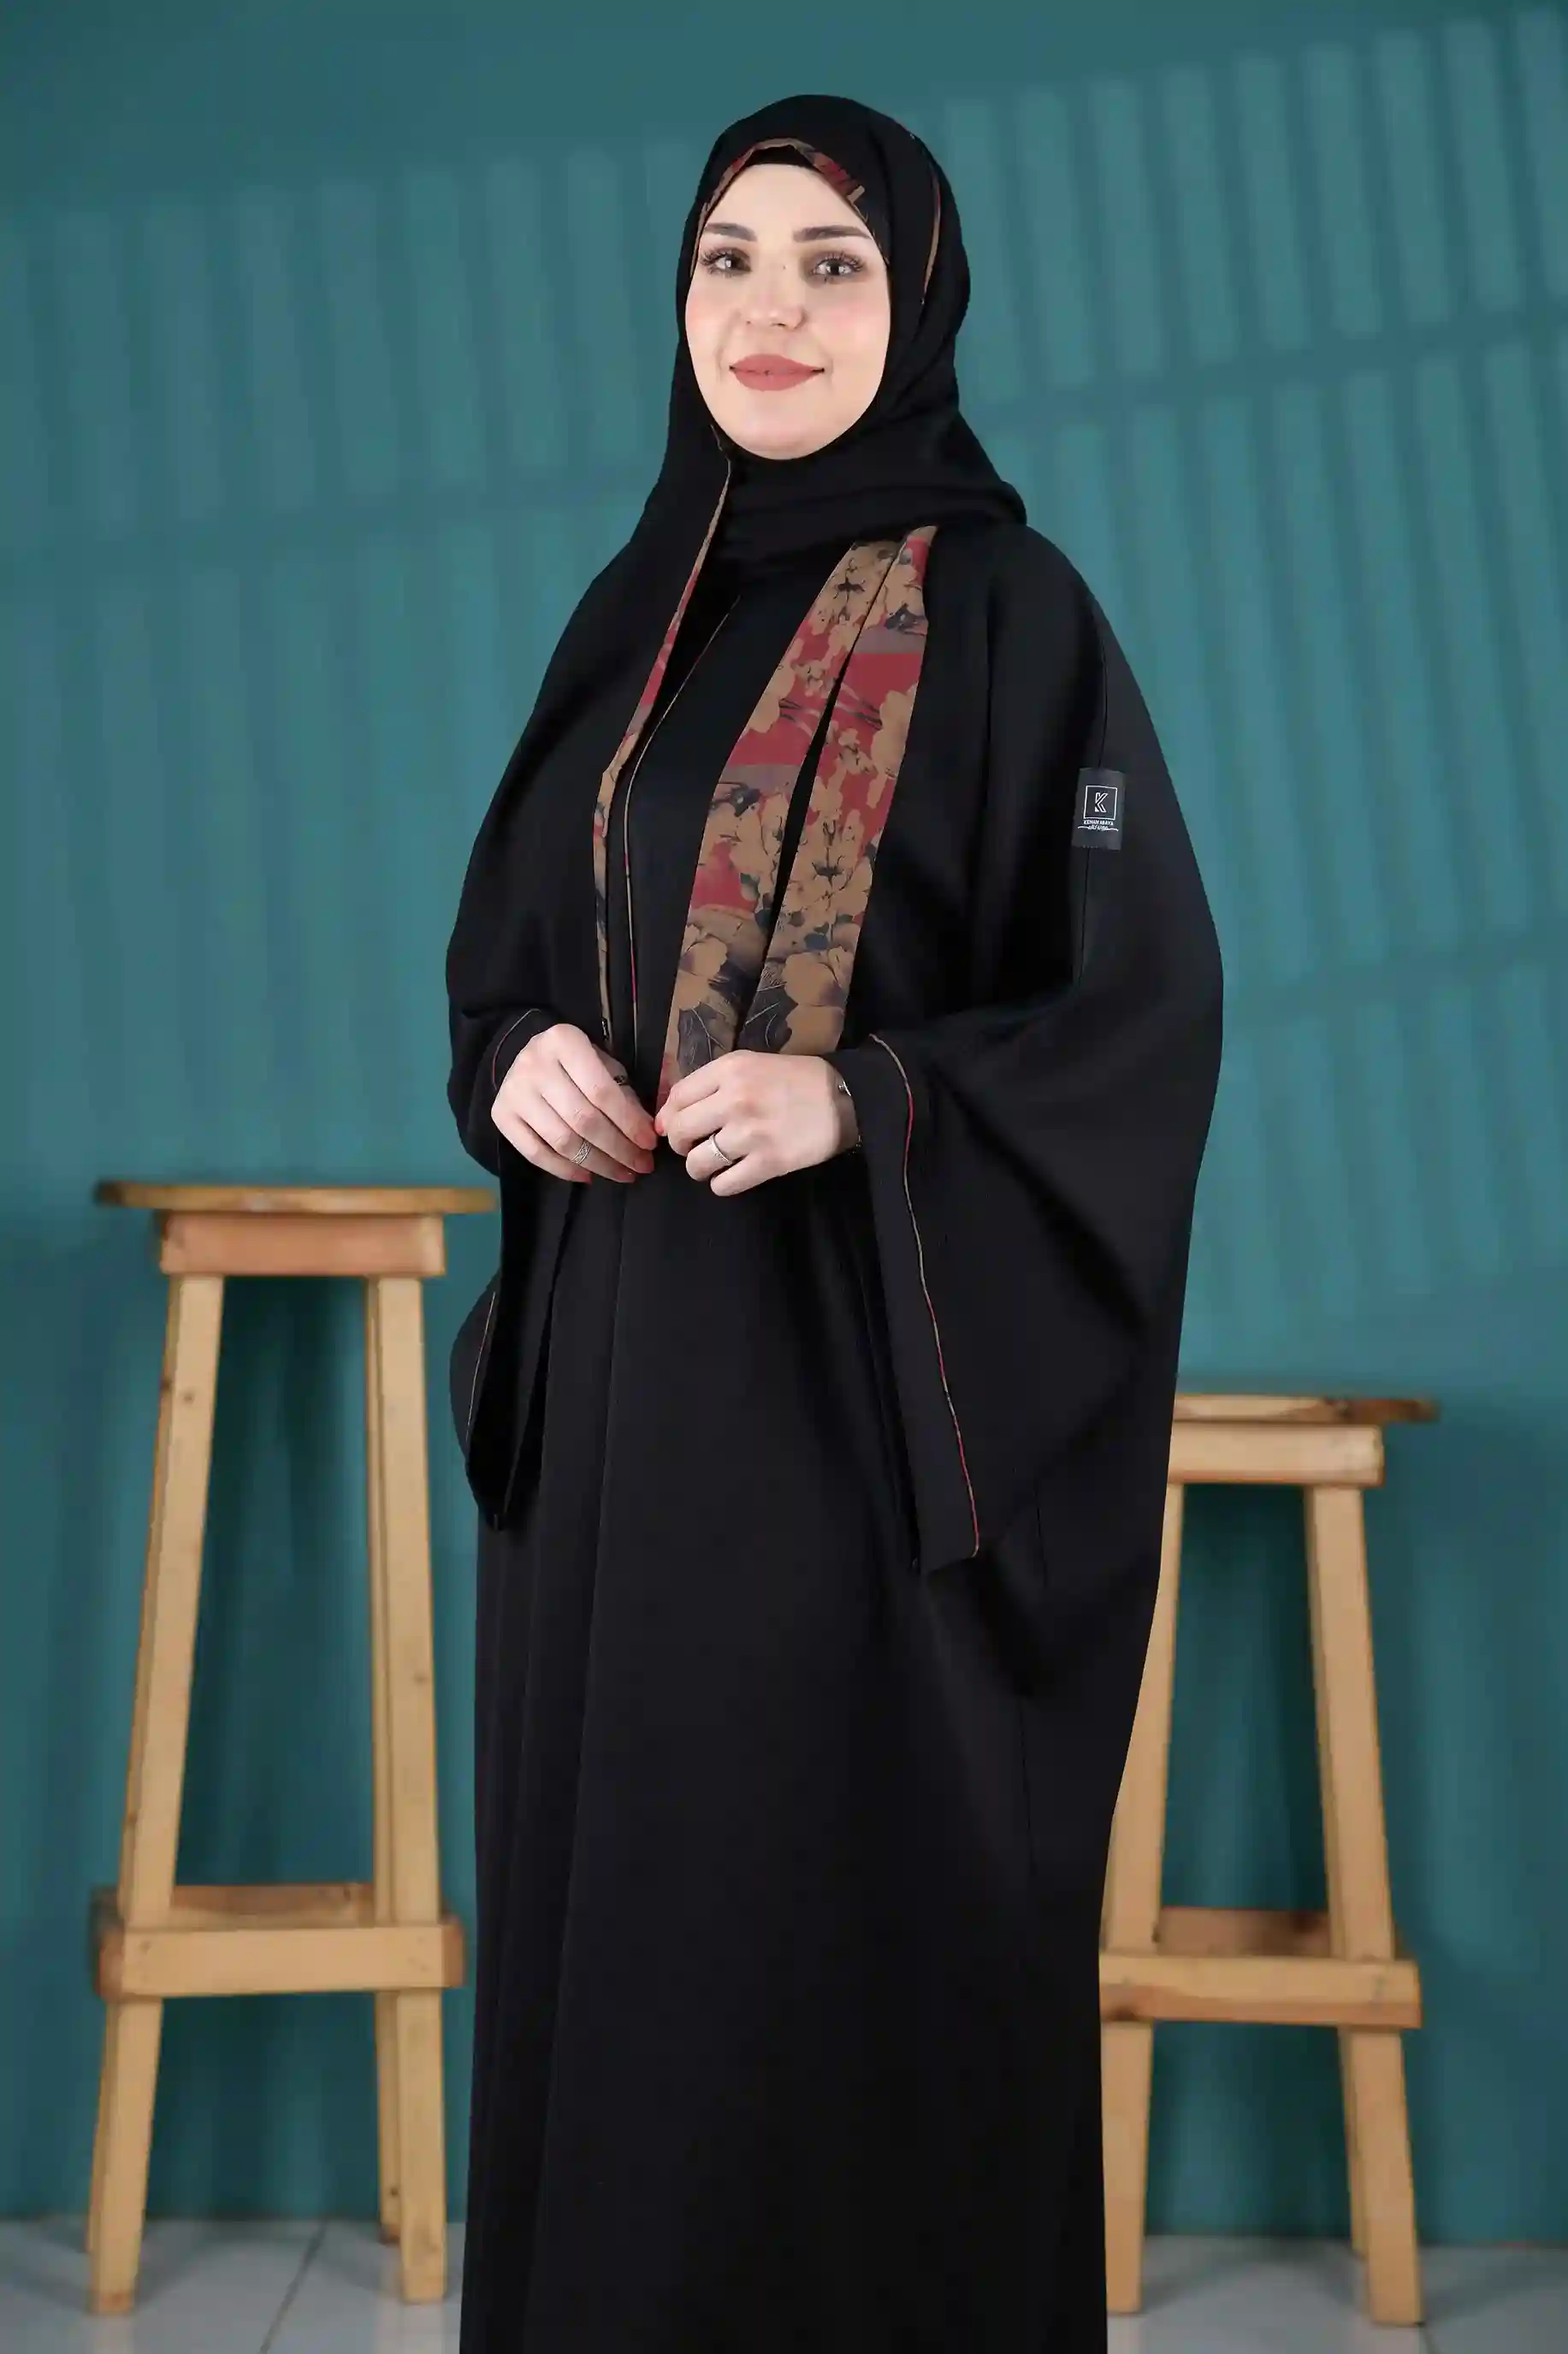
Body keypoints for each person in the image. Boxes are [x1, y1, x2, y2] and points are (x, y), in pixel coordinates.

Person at [444, 90, 1222, 2354]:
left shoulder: (1018, 617)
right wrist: (514, 1061)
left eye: (833, 263)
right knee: (634, 1929)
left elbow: (1140, 1010)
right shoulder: (639, 613)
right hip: (622, 1399)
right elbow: (513, 956)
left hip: (865, 1410)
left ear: (923, 303)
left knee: (823, 1931)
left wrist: (868, 1094)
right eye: (729, 258)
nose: (768, 310)